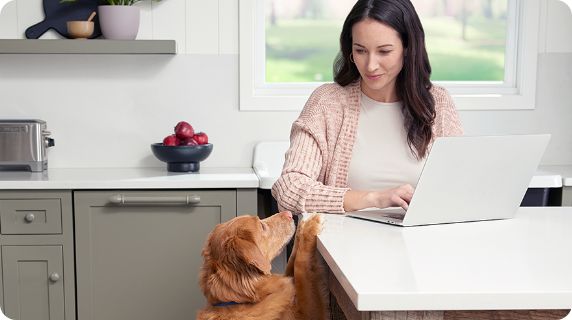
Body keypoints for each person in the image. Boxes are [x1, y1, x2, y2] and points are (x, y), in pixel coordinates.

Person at [271, 0, 463, 214]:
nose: (370, 65)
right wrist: (375, 198)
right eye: (361, 50)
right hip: (342, 244)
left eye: (384, 51)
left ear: (408, 49)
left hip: (418, 243)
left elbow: (459, 186)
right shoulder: (327, 103)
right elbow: (289, 188)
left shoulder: (438, 104)